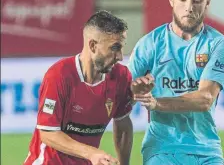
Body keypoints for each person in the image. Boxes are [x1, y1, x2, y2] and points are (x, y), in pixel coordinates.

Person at [129, 0, 224, 165]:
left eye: (197, 0)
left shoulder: (219, 44)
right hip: (161, 150)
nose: (189, 7)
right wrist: (136, 89)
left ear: (207, 1)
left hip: (207, 150)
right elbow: (123, 92)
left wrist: (156, 103)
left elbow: (205, 99)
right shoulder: (150, 43)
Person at [24, 10, 152, 165]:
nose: (119, 56)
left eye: (121, 48)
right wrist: (91, 153)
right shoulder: (59, 75)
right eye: (114, 48)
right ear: (92, 45)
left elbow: (123, 123)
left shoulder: (121, 76)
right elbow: (48, 133)